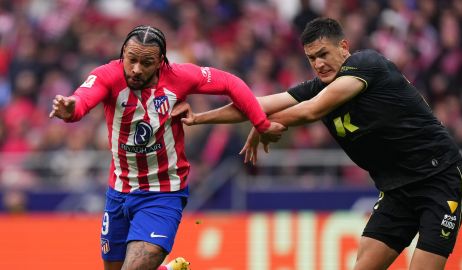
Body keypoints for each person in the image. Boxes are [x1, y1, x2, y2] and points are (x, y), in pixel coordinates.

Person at [171, 18, 462, 270]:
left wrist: (262, 124)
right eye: (311, 58)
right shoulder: (317, 86)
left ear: (344, 47)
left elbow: (311, 110)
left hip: (440, 178)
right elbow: (256, 103)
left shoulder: (368, 65)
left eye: (324, 54)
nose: (318, 63)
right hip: (397, 189)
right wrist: (199, 118)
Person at [49, 25, 285, 270]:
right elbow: (83, 99)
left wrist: (261, 123)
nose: (137, 69)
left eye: (147, 62)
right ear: (123, 55)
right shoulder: (108, 75)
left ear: (161, 61)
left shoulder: (179, 77)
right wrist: (71, 109)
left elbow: (230, 83)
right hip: (119, 190)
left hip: (163, 192)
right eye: (131, 60)